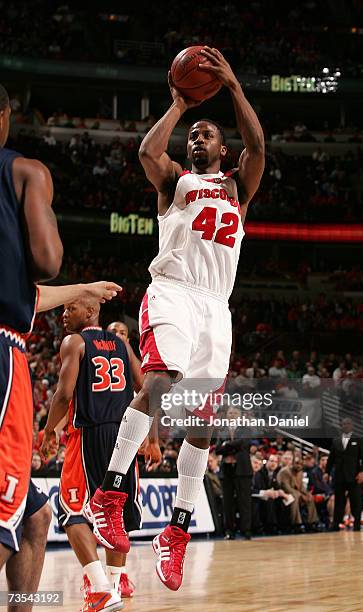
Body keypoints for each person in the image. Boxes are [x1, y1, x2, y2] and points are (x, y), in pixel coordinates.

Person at [85, 46, 265, 592]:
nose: (197, 138)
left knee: (203, 421)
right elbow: (147, 150)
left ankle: (177, 532)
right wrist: (178, 106)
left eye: (207, 133)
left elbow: (258, 145)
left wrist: (232, 87)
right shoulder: (175, 184)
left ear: (223, 147)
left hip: (217, 307)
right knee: (160, 384)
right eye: (194, 135)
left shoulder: (236, 187)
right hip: (173, 292)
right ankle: (109, 496)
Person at [41, 305, 159, 611]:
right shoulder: (121, 345)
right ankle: (114, 583)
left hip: (89, 435)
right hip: (124, 437)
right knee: (114, 514)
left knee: (71, 511)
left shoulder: (76, 342)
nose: (64, 314)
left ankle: (99, 589)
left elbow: (64, 395)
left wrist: (49, 431)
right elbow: (147, 387)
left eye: (71, 308)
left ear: (91, 310)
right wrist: (153, 436)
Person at [0, 83, 63, 593]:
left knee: (34, 519)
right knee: (3, 515)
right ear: (5, 116)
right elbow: (46, 262)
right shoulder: (25, 171)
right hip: (2, 350)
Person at [215, 406, 253, 540]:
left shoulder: (246, 429)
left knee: (244, 502)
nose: (232, 415)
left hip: (242, 470)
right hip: (226, 470)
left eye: (235, 413)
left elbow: (242, 443)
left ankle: (246, 531)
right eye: (230, 413)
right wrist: (228, 446)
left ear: (240, 415)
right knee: (227, 503)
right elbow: (217, 450)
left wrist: (226, 445)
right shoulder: (222, 430)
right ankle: (229, 531)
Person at [326, 417, 363, 531]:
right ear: (341, 426)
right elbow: (331, 458)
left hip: (354, 475)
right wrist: (327, 472)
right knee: (339, 500)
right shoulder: (336, 440)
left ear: (352, 425)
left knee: (356, 501)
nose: (346, 426)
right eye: (344, 424)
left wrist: (362, 472)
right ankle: (336, 524)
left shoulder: (358, 439)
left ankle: (357, 524)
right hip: (339, 475)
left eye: (348, 424)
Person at [277, 455, 319, 532]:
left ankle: (311, 523)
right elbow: (286, 488)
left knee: (310, 497)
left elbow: (301, 487)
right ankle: (296, 524)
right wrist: (300, 495)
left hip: (295, 493)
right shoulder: (285, 472)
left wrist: (306, 494)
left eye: (300, 464)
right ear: (292, 463)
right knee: (295, 497)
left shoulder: (300, 472)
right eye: (296, 463)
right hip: (283, 495)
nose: (299, 466)